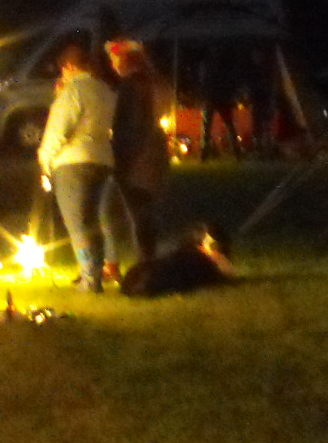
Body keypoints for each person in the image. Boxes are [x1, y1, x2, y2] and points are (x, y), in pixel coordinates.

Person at [36, 40, 117, 292]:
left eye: (63, 70)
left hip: (73, 162)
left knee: (77, 224)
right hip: (102, 160)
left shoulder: (73, 92)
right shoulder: (105, 91)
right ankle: (96, 275)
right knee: (93, 222)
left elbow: (58, 131)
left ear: (69, 66)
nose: (62, 75)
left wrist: (44, 161)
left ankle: (89, 278)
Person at [103, 38, 173, 271]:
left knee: (137, 211)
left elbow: (129, 125)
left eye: (114, 59)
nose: (113, 65)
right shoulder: (154, 82)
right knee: (146, 210)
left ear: (125, 60)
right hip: (155, 150)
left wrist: (121, 156)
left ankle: (146, 263)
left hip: (137, 154)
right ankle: (149, 259)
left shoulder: (131, 86)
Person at [119, 221, 237, 298]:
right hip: (158, 272)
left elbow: (226, 275)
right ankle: (143, 287)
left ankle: (143, 286)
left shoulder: (205, 261)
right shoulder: (193, 257)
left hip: (158, 273)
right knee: (162, 272)